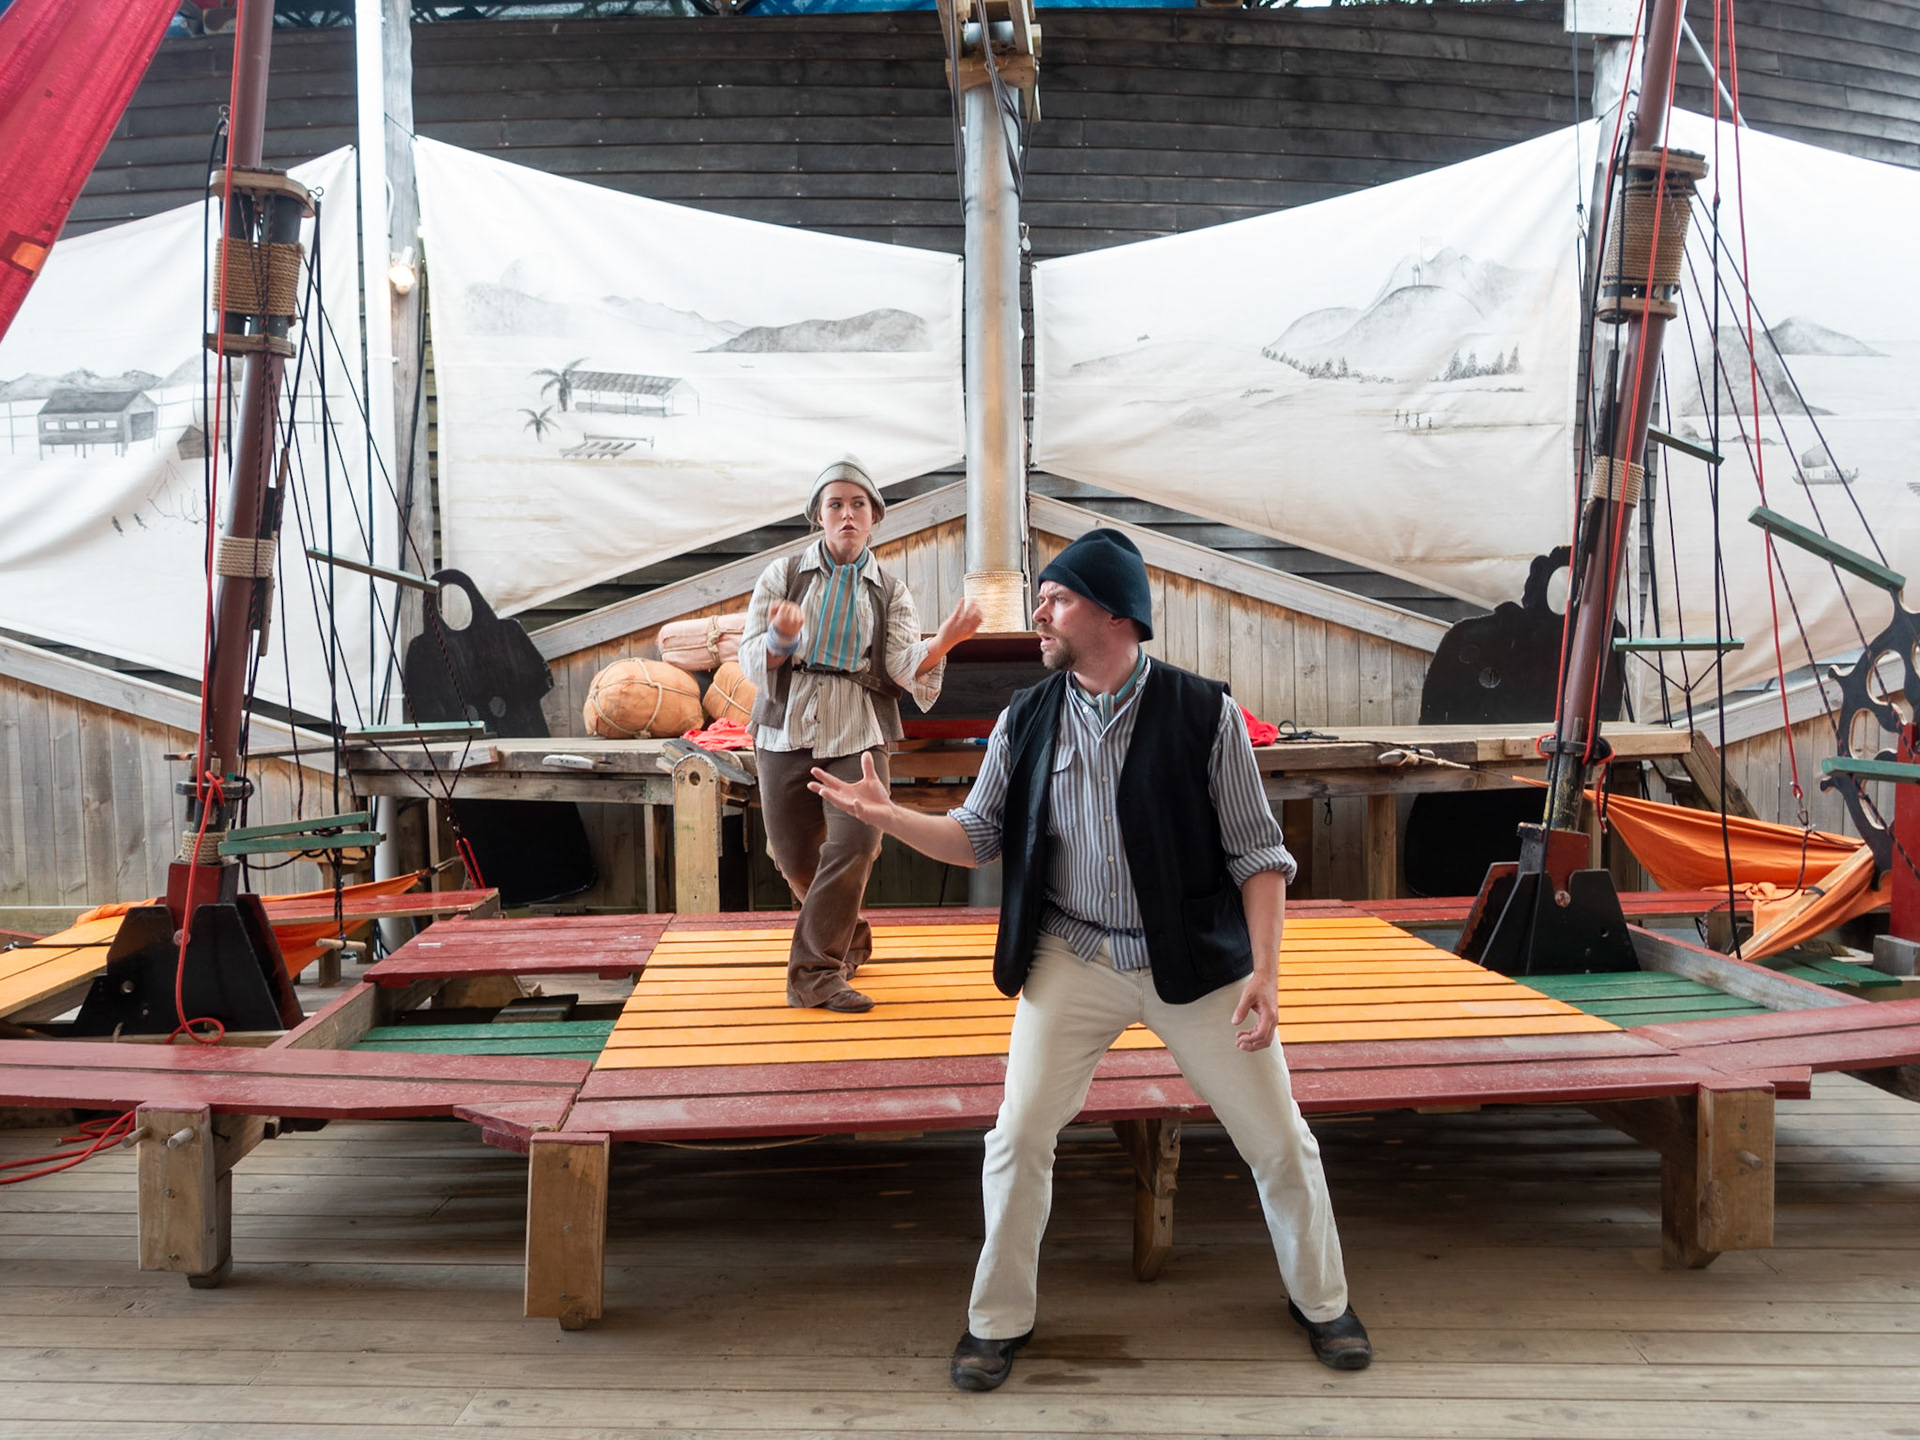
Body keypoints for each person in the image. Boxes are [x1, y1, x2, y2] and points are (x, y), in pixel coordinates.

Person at [809, 527, 1370, 1387]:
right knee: (1020, 1134)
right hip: (1071, 956)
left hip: (1191, 960)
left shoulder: (1204, 713)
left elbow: (1259, 855)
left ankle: (1324, 1302)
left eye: (1056, 596)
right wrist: (889, 818)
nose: (1039, 610)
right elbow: (979, 836)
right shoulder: (1025, 716)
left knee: (1280, 1142)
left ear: (1114, 614)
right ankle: (996, 1322)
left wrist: (1266, 972)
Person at [738, 456, 982, 1013]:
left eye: (858, 504)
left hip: (857, 726)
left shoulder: (889, 591)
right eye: (835, 504)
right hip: (787, 724)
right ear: (818, 517)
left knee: (858, 842)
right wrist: (778, 638)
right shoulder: (783, 576)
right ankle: (849, 934)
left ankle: (815, 975)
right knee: (793, 857)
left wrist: (944, 640)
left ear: (874, 516)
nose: (847, 514)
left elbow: (902, 666)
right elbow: (752, 659)